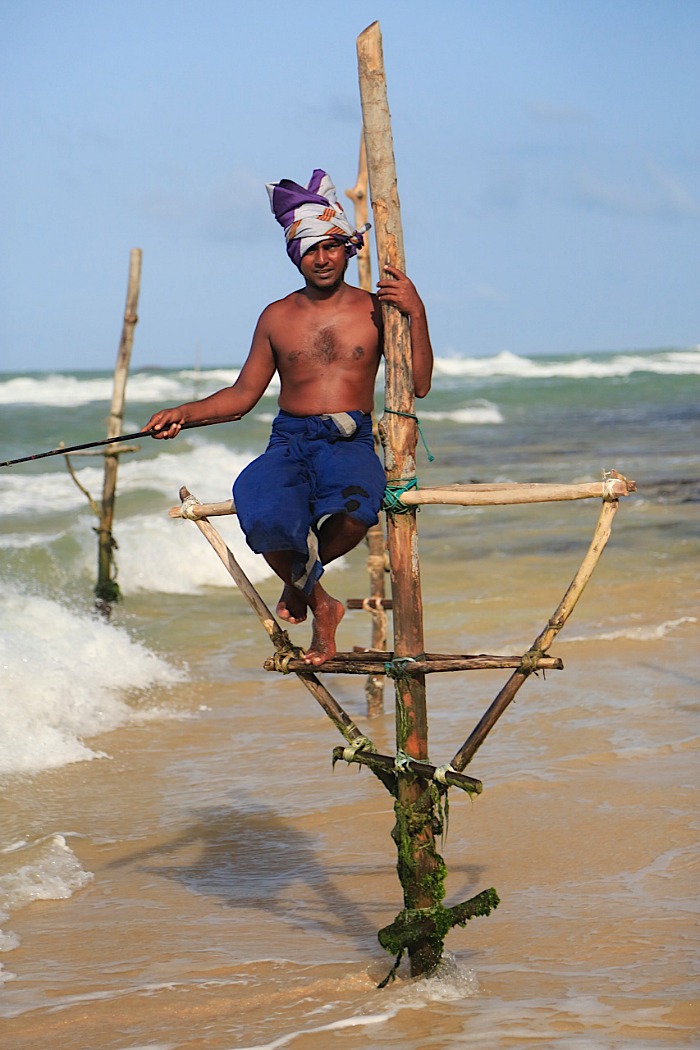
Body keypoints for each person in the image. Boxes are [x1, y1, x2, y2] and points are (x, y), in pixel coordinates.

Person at [143, 169, 433, 666]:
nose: (320, 258)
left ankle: (299, 582)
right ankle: (321, 601)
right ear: (295, 254)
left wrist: (417, 311)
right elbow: (241, 396)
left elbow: (419, 384)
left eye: (330, 247)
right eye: (309, 249)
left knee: (356, 509)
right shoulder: (276, 316)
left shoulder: (377, 310)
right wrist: (182, 414)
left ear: (347, 248)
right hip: (290, 441)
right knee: (258, 504)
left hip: (350, 439)